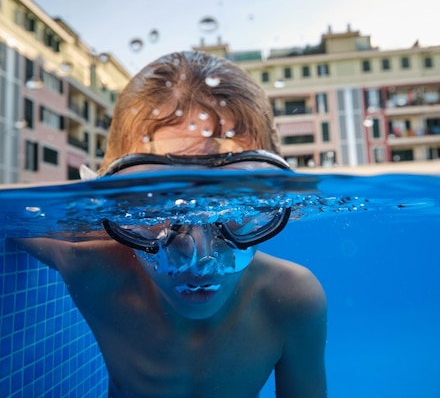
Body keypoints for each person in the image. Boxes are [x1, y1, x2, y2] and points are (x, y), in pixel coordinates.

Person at [16, 50, 327, 398]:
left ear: (272, 200)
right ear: (113, 201)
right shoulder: (89, 264)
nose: (199, 255)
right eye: (158, 200)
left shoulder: (291, 299)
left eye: (233, 200)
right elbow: (13, 224)